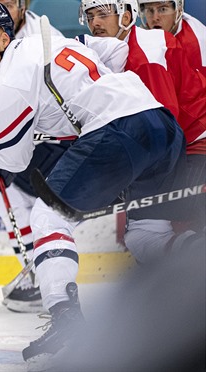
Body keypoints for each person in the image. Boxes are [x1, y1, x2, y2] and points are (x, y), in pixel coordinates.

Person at [0, 2, 186, 370]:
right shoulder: (50, 39)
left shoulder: (8, 79)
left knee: (48, 217)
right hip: (160, 122)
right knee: (147, 234)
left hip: (116, 131)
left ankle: (66, 323)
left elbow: (12, 159)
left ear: (3, 38)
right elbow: (114, 48)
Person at [0, 0, 66, 313]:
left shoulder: (44, 34)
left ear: (22, 6)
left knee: (36, 203)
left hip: (49, 135)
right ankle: (36, 272)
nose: (0, 5)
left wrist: (5, 153)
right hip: (24, 133)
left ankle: (46, 276)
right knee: (14, 196)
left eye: (7, 1)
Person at [79, 0, 206, 264]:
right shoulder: (113, 54)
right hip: (184, 142)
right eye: (90, 16)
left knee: (145, 233)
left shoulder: (145, 50)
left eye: (103, 14)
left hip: (196, 144)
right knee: (154, 233)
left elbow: (161, 127)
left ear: (126, 15)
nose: (96, 23)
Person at [138, 0, 206, 76]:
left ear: (179, 10)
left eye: (162, 9)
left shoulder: (198, 41)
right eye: (150, 10)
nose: (155, 18)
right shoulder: (139, 38)